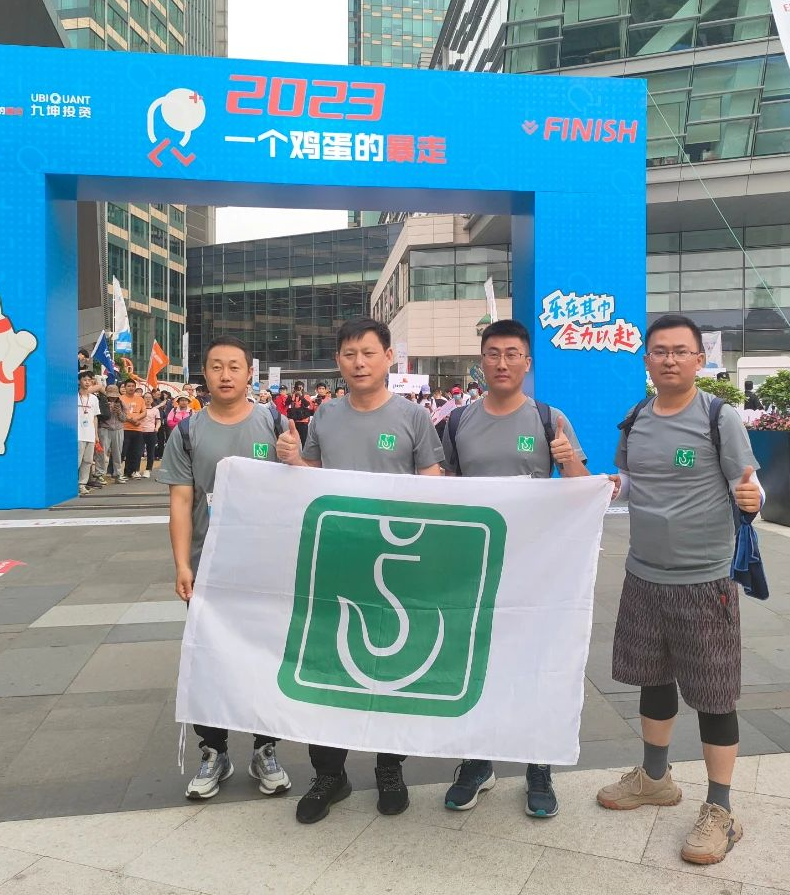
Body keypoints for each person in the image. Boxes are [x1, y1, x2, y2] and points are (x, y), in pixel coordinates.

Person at [597, 315, 762, 866]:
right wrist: (610, 485)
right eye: (659, 350)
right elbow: (631, 480)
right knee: (653, 677)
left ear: (699, 360)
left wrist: (755, 500)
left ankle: (721, 809)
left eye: (680, 351)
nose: (669, 359)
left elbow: (747, 485)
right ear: (646, 359)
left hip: (704, 580)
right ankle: (655, 778)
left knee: (714, 694)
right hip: (644, 575)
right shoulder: (636, 418)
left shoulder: (719, 417)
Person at [277, 317, 444, 825]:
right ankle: (329, 773)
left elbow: (433, 481)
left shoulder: (414, 417)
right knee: (327, 666)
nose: (359, 362)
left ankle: (389, 768)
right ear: (338, 361)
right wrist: (292, 459)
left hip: (395, 566)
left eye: (368, 353)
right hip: (335, 561)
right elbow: (310, 479)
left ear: (388, 357)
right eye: (349, 354)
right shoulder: (325, 415)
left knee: (391, 668)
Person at [440, 319, 592, 819]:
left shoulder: (549, 419)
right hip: (474, 566)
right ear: (480, 362)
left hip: (535, 569)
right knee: (475, 661)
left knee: (534, 664)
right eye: (493, 354)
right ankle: (477, 762)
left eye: (512, 354)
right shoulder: (457, 422)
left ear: (527, 362)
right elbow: (442, 490)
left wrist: (568, 462)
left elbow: (585, 488)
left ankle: (537, 766)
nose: (501, 363)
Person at [155, 335, 293, 801]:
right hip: (208, 567)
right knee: (209, 659)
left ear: (250, 373)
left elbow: (298, 484)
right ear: (205, 373)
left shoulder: (273, 422)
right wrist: (181, 564)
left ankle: (264, 748)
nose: (226, 375)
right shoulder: (188, 431)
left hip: (265, 568)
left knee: (265, 658)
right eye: (217, 366)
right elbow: (181, 501)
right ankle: (214, 751)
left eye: (235, 366)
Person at [120, 380, 148, 480]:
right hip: (124, 428)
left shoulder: (140, 399)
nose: (131, 388)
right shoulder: (120, 399)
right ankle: (117, 472)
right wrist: (131, 420)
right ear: (125, 387)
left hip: (138, 429)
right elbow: (120, 413)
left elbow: (144, 412)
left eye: (133, 386)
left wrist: (137, 419)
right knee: (123, 451)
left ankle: (132, 471)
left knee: (135, 452)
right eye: (129, 386)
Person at [99, 385, 126, 483]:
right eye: (111, 396)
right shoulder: (102, 402)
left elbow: (124, 419)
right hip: (104, 428)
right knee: (102, 453)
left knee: (118, 453)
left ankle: (118, 474)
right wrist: (108, 409)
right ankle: (99, 474)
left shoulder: (121, 403)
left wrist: (119, 412)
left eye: (114, 396)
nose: (113, 398)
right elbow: (99, 417)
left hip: (118, 429)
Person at [77, 372, 99, 497]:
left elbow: (95, 417)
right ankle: (71, 483)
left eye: (89, 380)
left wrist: (96, 434)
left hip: (90, 434)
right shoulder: (73, 396)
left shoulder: (94, 399)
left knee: (88, 460)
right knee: (77, 460)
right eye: (84, 379)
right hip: (78, 434)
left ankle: (82, 484)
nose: (87, 382)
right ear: (79, 381)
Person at [137, 393, 161, 478]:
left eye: (149, 397)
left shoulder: (155, 410)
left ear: (152, 399)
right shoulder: (140, 408)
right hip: (140, 431)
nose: (148, 399)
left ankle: (148, 470)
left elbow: (158, 421)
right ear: (143, 399)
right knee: (138, 452)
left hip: (151, 432)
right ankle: (136, 470)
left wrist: (157, 428)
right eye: (146, 397)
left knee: (150, 452)